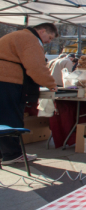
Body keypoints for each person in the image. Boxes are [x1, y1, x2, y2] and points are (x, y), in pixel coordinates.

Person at [0, 23, 58, 165]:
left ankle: (6, 153)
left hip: (4, 79)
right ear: (42, 31)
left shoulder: (16, 35)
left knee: (2, 119)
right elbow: (36, 66)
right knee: (11, 119)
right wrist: (51, 84)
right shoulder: (30, 39)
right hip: (9, 82)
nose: (48, 41)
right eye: (49, 37)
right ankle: (12, 154)